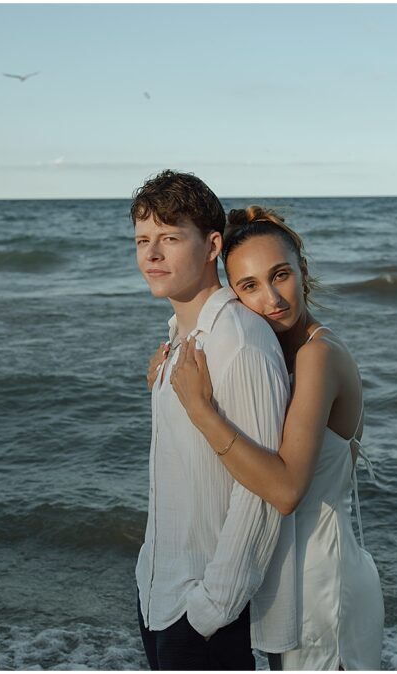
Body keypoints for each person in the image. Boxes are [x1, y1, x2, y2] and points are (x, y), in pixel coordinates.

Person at [160, 205, 384, 670]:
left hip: (323, 583)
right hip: (289, 582)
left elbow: (284, 490)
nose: (271, 298)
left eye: (280, 275)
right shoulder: (280, 356)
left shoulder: (318, 356)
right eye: (249, 287)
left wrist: (199, 409)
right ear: (234, 296)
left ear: (302, 271)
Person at [131, 170, 291, 669]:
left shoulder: (239, 341)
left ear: (210, 245)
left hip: (202, 610)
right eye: (142, 240)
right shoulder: (179, 338)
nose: (151, 255)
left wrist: (211, 608)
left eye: (170, 238)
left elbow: (263, 491)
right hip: (157, 594)